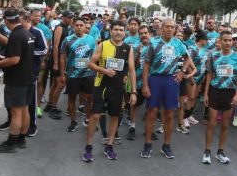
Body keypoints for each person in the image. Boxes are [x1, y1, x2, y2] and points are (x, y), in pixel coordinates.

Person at [82, 20, 136, 162]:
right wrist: (104, 70)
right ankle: (88, 147)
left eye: (121, 30)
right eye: (115, 29)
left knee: (114, 116)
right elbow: (90, 63)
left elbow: (131, 70)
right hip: (101, 85)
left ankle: (110, 146)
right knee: (95, 116)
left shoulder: (128, 48)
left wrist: (134, 92)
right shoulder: (103, 45)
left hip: (118, 88)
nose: (118, 32)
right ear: (110, 31)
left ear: (124, 32)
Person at [141, 18, 192, 159]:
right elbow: (146, 65)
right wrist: (145, 84)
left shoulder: (178, 43)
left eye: (172, 27)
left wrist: (182, 71)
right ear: (162, 28)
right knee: (152, 112)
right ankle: (147, 144)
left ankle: (166, 145)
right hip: (155, 79)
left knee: (169, 114)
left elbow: (188, 58)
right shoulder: (154, 43)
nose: (170, 29)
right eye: (167, 27)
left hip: (171, 80)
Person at [0, 8, 35, 153]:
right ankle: (21, 139)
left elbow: (15, 59)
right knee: (24, 109)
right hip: (28, 78)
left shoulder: (16, 35)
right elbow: (21, 55)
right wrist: (3, 57)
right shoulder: (27, 33)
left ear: (7, 20)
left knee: (16, 112)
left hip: (17, 80)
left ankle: (10, 144)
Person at [202, 31, 237, 164]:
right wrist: (205, 93)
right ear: (220, 41)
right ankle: (207, 151)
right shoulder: (214, 55)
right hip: (215, 91)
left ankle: (220, 151)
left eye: (230, 40)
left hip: (230, 92)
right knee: (212, 123)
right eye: (225, 40)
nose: (228, 43)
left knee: (225, 124)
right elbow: (209, 75)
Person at [59, 18, 96, 133]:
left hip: (88, 74)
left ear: (85, 27)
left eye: (81, 25)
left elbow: (95, 56)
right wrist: (62, 74)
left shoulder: (91, 39)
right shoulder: (67, 40)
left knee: (89, 98)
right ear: (73, 26)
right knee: (72, 98)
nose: (79, 27)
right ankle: (73, 121)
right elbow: (62, 57)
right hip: (73, 75)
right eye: (77, 25)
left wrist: (97, 71)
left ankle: (89, 119)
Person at [45, 10, 74, 119]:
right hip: (56, 59)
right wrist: (56, 63)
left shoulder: (67, 28)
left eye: (71, 17)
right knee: (61, 84)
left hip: (61, 59)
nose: (71, 19)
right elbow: (56, 46)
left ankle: (49, 104)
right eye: (69, 17)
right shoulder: (60, 27)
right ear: (64, 18)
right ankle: (53, 108)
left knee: (54, 84)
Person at [126, 25, 151, 141]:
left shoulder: (154, 47)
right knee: (135, 106)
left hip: (151, 83)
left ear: (150, 34)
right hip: (138, 82)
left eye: (146, 33)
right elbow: (131, 66)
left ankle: (148, 129)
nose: (144, 35)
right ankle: (132, 127)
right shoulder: (135, 48)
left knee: (150, 107)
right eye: (141, 33)